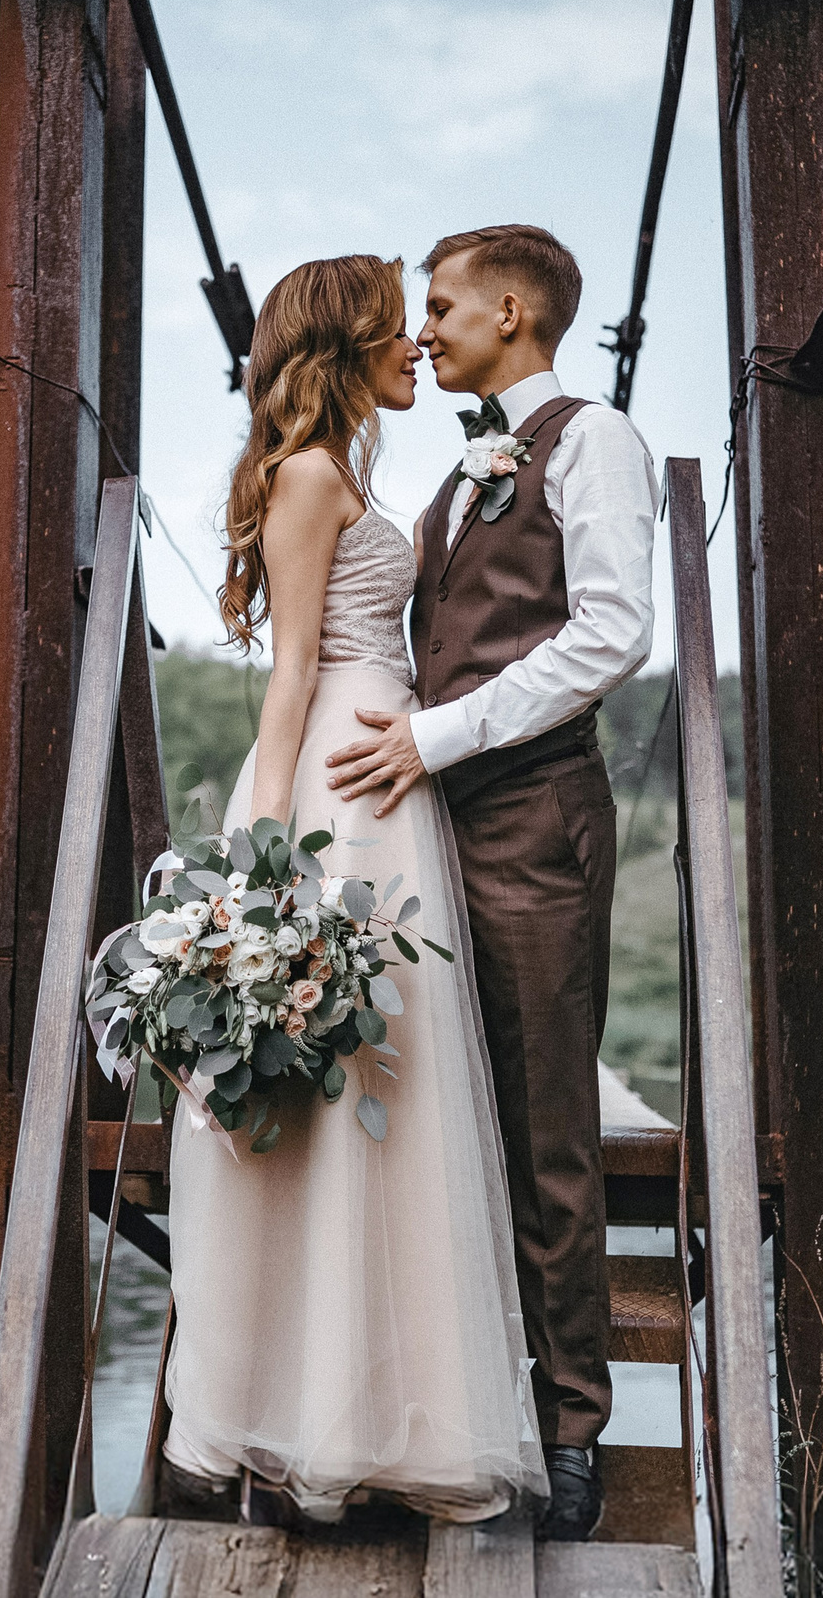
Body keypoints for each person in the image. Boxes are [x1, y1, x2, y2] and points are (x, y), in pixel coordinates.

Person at [160, 254, 547, 1527]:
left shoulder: (348, 473)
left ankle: (378, 1414)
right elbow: (289, 676)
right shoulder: (311, 477)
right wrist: (267, 861)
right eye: (396, 327)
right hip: (336, 791)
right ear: (344, 346)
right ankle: (310, 1417)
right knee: (339, 1094)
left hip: (387, 783)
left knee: (388, 1091)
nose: (415, 346)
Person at [325, 225, 661, 1542]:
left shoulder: (595, 441)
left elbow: (614, 631)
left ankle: (570, 1428)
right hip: (424, 829)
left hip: (530, 822)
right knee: (410, 1110)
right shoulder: (464, 468)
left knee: (545, 1130)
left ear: (511, 310)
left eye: (443, 305)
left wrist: (438, 735)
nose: (424, 329)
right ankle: (427, 1410)